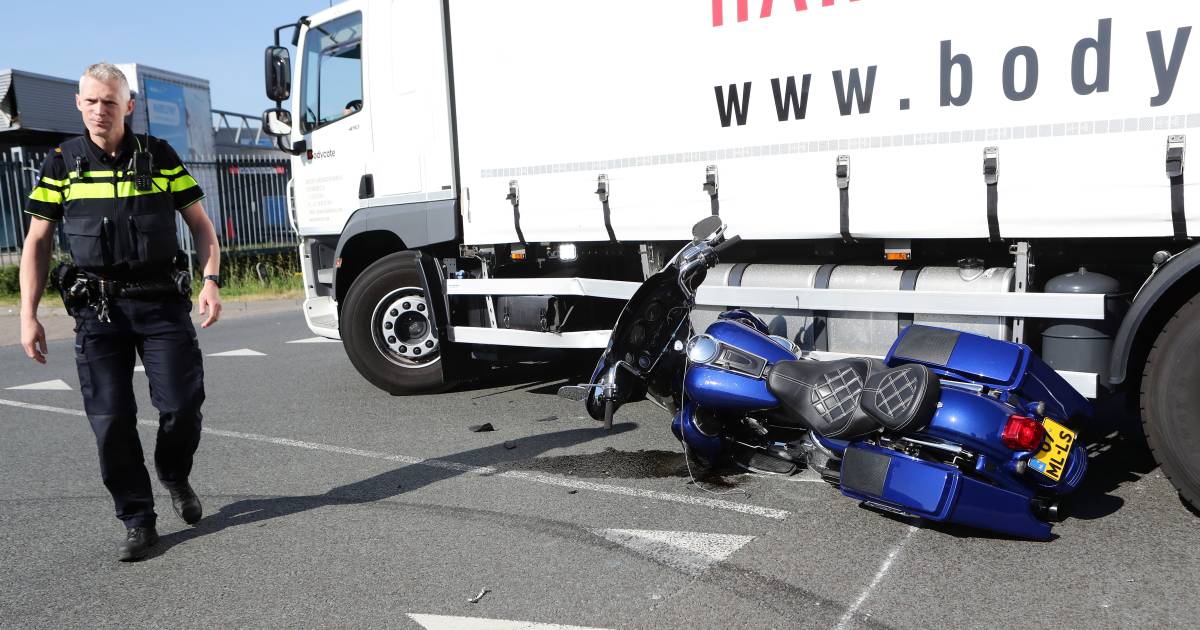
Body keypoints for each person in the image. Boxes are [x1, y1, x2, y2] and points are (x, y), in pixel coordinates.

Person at [18, 63, 223, 561]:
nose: (98, 110)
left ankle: (174, 473)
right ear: (78, 103)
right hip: (98, 310)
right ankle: (137, 519)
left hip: (159, 304)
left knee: (181, 407)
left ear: (128, 106)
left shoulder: (159, 156)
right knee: (110, 421)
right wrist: (29, 314)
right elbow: (37, 243)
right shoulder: (62, 163)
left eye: (109, 102)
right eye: (90, 101)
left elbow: (202, 228)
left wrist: (211, 280)